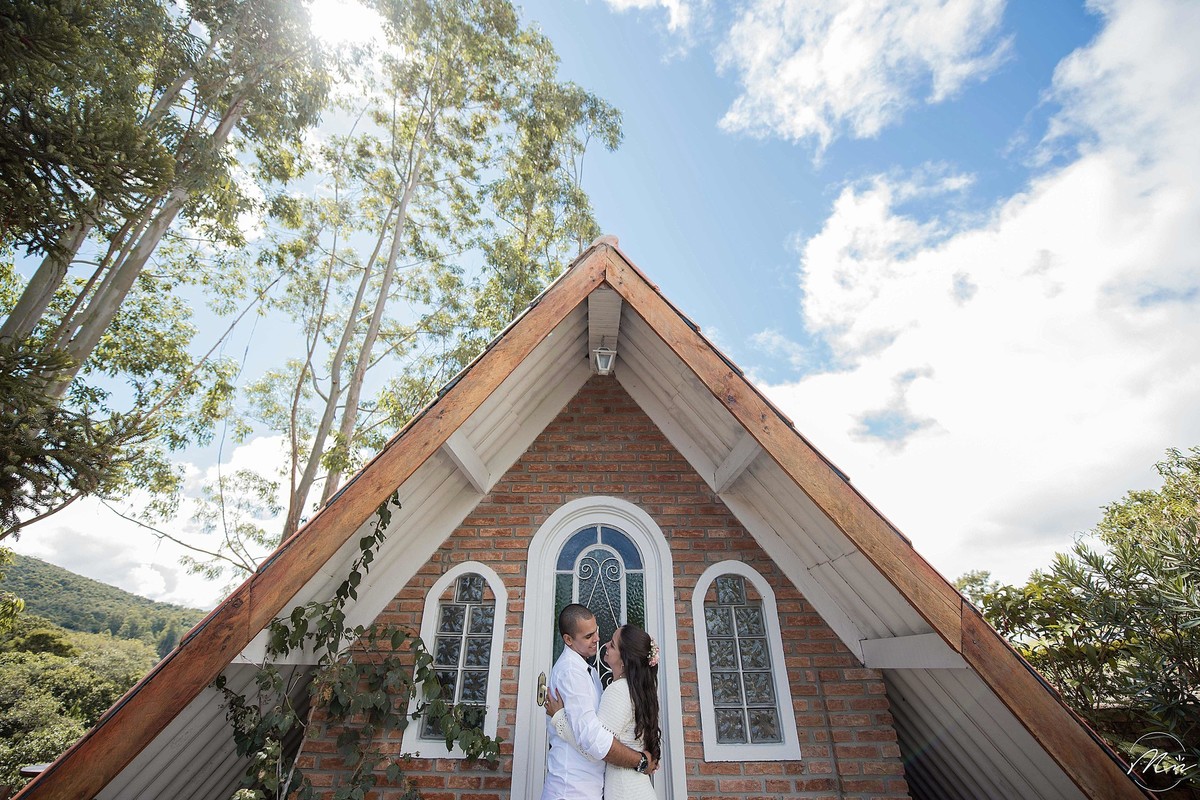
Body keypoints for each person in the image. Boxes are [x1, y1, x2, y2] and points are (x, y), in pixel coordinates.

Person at [541, 605, 655, 800]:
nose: (597, 640)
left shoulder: (591, 673)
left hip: (591, 788)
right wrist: (641, 760)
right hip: (571, 790)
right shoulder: (571, 672)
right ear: (568, 640)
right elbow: (593, 741)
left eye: (597, 632)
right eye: (588, 636)